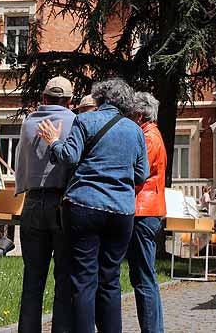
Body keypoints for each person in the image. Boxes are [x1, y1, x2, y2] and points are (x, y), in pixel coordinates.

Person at [38, 78, 149, 333]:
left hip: (84, 205)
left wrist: (54, 141)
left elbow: (69, 157)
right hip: (121, 210)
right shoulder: (135, 130)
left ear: (99, 98)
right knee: (110, 280)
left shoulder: (85, 120)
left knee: (84, 279)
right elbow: (141, 175)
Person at [14, 76, 76, 333]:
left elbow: (19, 161)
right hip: (62, 202)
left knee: (33, 278)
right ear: (70, 100)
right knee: (63, 277)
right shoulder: (74, 121)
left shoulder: (28, 123)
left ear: (43, 98)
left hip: (32, 201)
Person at [126, 92, 166, 333]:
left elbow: (137, 173)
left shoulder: (148, 137)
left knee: (143, 278)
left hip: (143, 210)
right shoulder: (152, 135)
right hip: (147, 209)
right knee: (145, 277)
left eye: (131, 114)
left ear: (139, 115)